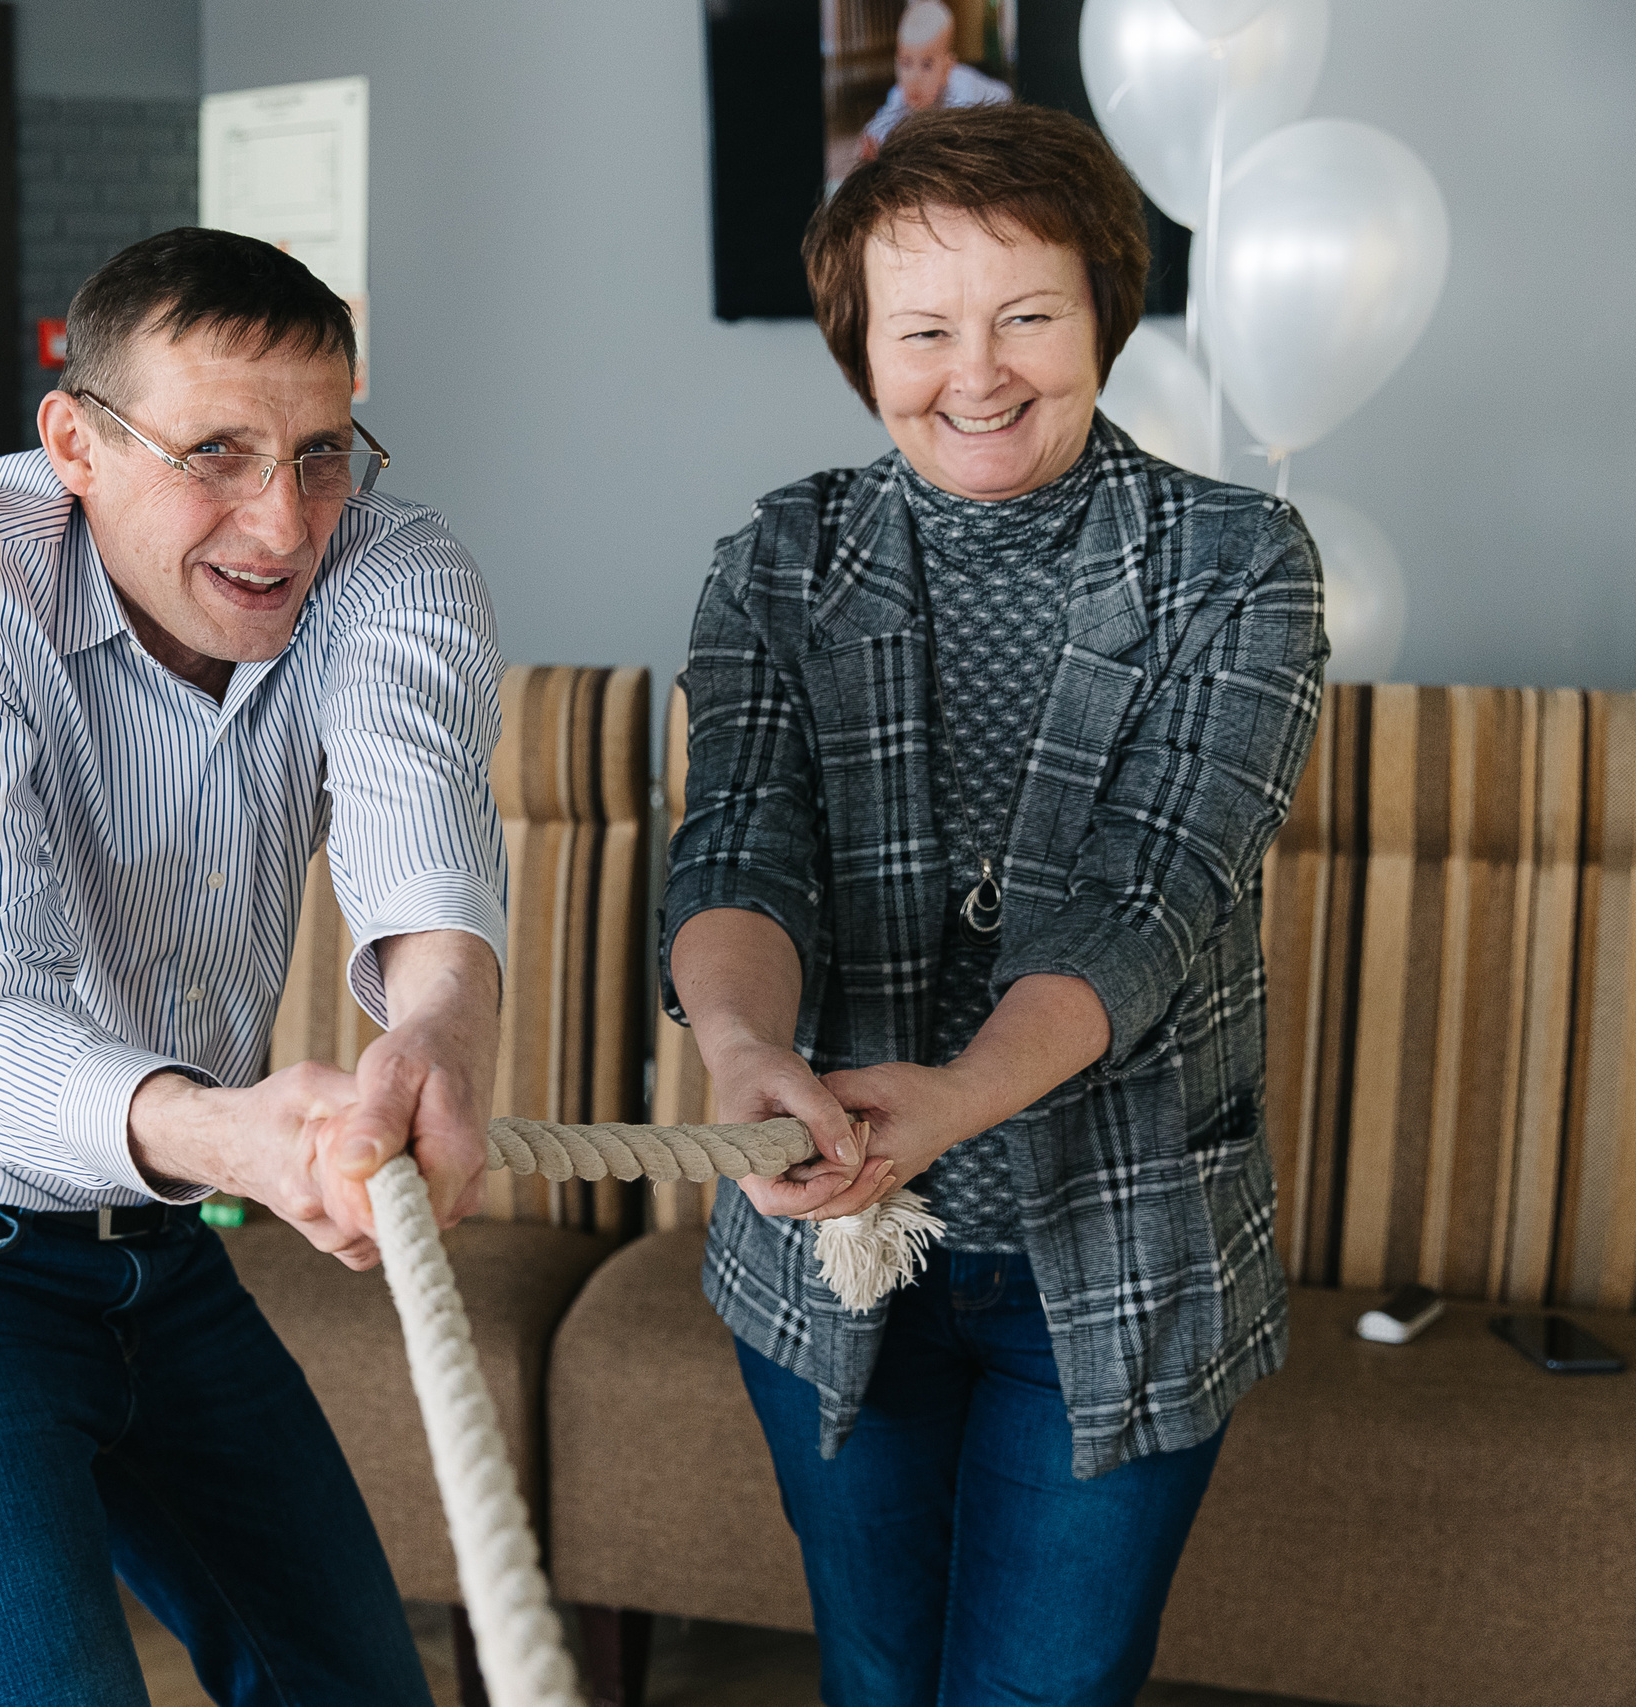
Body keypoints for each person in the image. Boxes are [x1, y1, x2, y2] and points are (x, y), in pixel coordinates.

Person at [0, 226, 508, 1706]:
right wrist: (232, 1129)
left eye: (320, 452)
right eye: (216, 452)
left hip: (156, 1243)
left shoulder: (393, 566)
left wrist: (439, 1031)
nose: (282, 522)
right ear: (75, 444)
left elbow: (418, 838)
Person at [663, 104, 1326, 1706]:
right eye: (925, 327)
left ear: (1104, 308)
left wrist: (957, 1097)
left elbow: (1150, 895)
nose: (979, 370)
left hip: (1118, 1245)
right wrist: (742, 1047)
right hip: (835, 1235)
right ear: (859, 346)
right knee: (878, 1680)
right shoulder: (782, 560)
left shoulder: (1240, 565)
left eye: (1027, 313)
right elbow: (736, 846)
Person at [861, 1, 1011, 160]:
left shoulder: (961, 95)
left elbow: (962, 145)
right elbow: (881, 124)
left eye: (926, 65)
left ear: (946, 69)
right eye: (906, 63)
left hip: (1001, 102)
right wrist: (872, 141)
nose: (914, 78)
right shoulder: (900, 94)